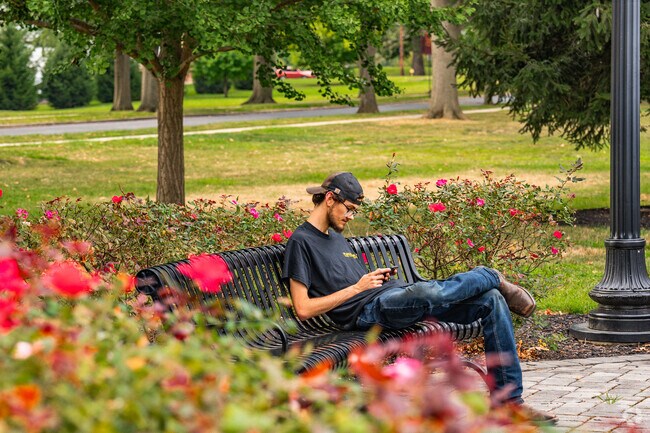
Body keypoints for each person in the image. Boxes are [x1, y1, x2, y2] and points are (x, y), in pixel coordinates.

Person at [282, 171, 556, 423]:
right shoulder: (301, 242)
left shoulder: (336, 238)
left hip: (387, 300)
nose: (351, 217)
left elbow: (354, 283)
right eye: (349, 210)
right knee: (428, 290)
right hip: (369, 313)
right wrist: (358, 288)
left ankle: (509, 402)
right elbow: (304, 308)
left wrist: (374, 279)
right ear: (330, 198)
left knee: (492, 300)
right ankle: (490, 274)